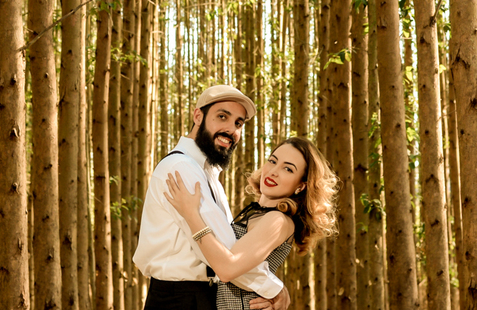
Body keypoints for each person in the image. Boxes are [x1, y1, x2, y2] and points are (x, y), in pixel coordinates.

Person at [134, 85, 291, 310]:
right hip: (179, 299)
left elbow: (229, 251)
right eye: (222, 116)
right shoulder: (181, 169)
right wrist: (275, 289)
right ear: (198, 116)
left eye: (238, 123)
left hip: (200, 297)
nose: (231, 129)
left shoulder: (207, 174)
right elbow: (225, 255)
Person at [164, 136, 337, 310]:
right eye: (272, 161)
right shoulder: (256, 213)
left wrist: (191, 214)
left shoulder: (278, 220)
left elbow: (227, 269)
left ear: (301, 186)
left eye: (288, 169)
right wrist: (277, 289)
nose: (273, 171)